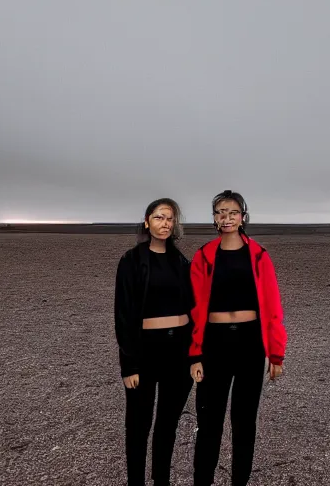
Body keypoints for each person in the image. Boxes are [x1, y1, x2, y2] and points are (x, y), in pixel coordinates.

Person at [189, 190, 288, 486]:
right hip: (213, 345)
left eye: (232, 212)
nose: (226, 217)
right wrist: (194, 354)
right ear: (214, 219)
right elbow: (193, 308)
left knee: (244, 424)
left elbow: (272, 306)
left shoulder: (258, 255)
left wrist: (276, 352)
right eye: (220, 212)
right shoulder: (204, 256)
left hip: (249, 345)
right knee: (209, 423)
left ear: (243, 217)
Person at [114, 198, 194, 486]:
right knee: (138, 426)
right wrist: (128, 365)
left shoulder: (181, 261)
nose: (165, 223)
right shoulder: (131, 260)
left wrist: (196, 356)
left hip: (179, 353)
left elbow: (193, 308)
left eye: (170, 218)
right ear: (147, 221)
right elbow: (123, 315)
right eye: (159, 217)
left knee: (167, 426)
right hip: (145, 353)